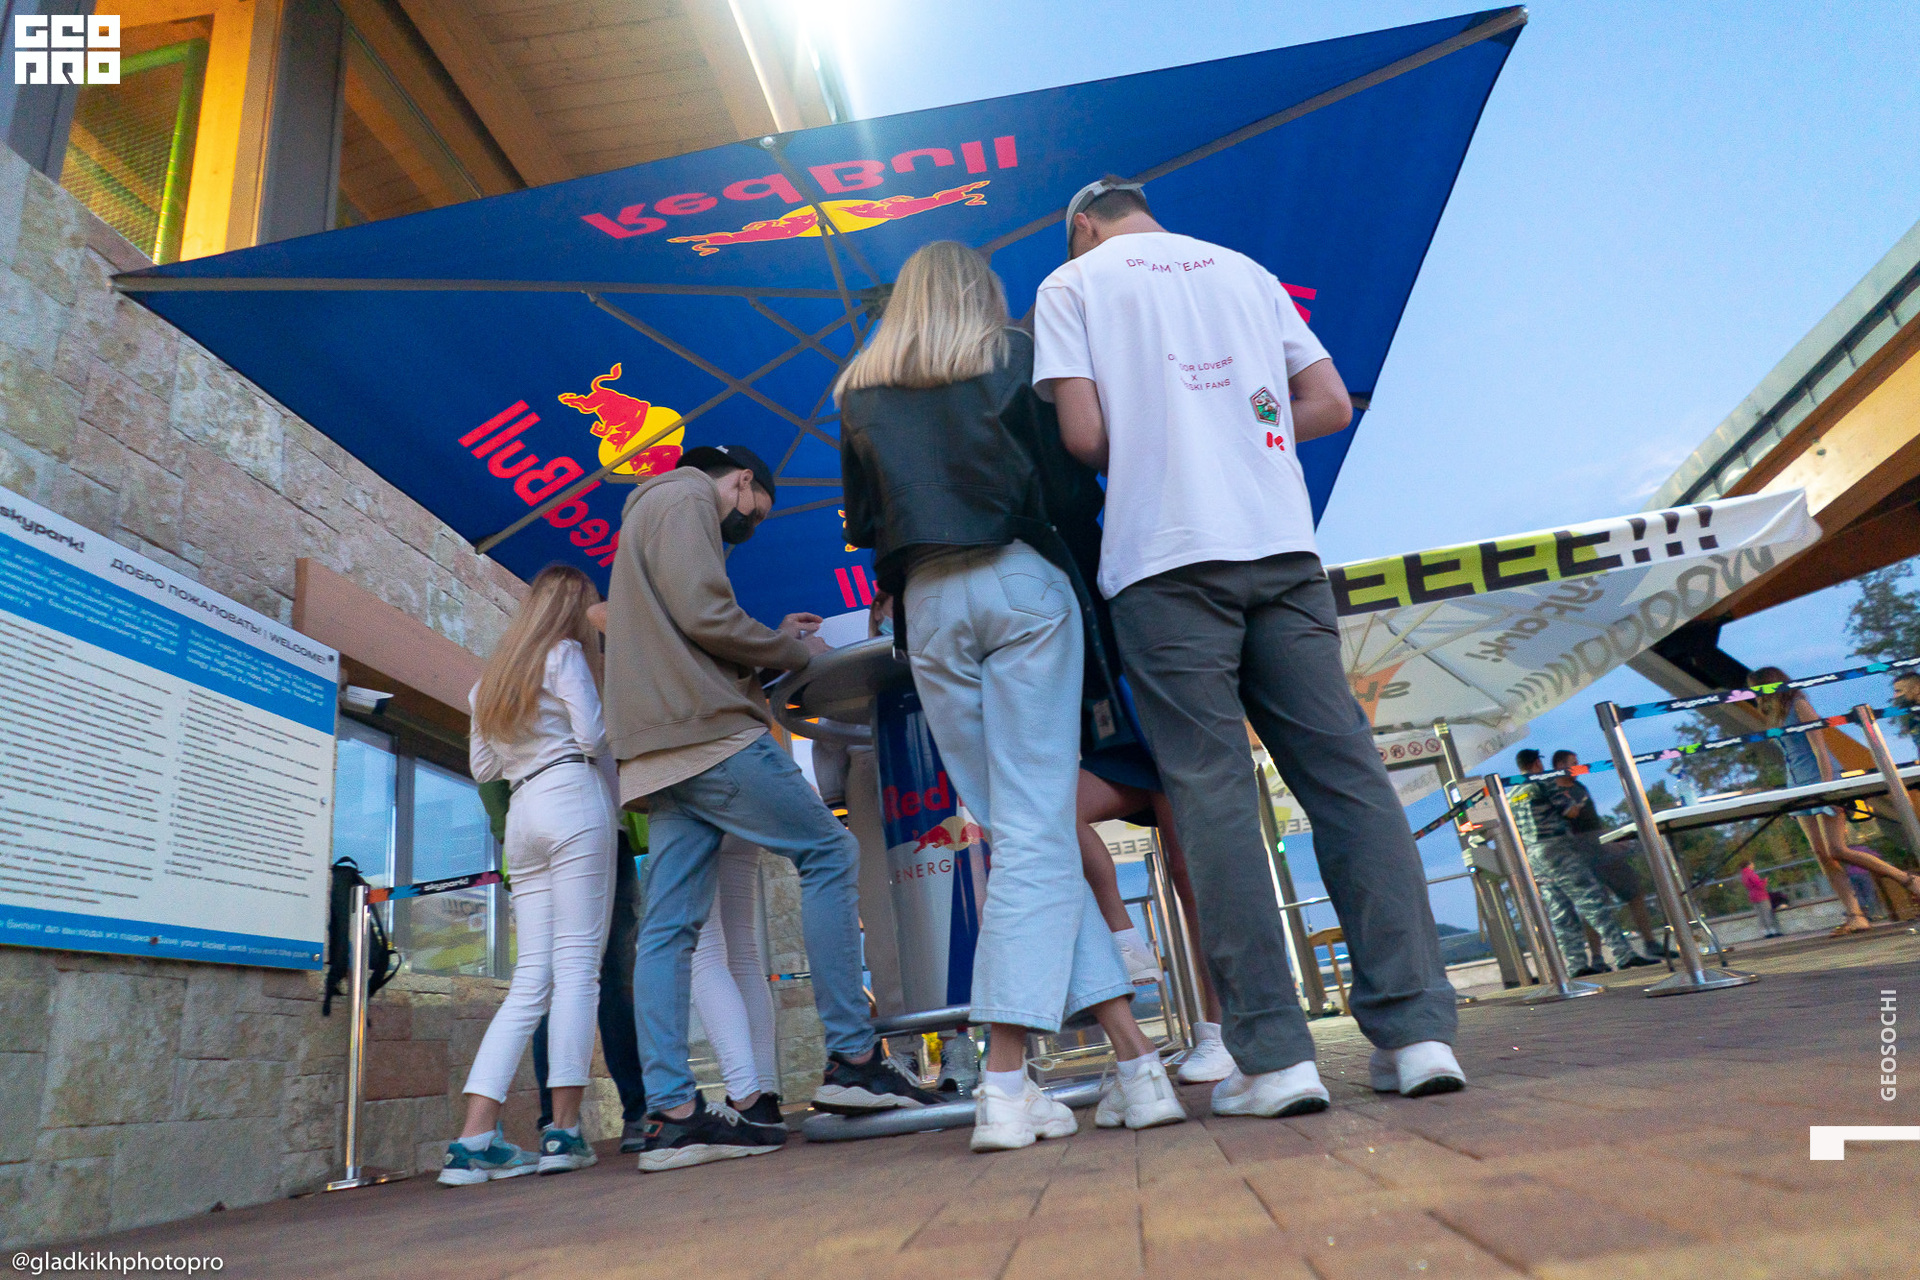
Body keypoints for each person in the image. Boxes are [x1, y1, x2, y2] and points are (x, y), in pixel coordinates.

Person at [1032, 176, 1463, 1112]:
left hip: (1164, 560)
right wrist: (1239, 428)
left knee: (1212, 794)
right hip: (1281, 548)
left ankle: (1275, 1059)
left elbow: (1085, 436)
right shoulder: (1245, 270)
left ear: (1083, 226)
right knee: (1348, 778)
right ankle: (1419, 1035)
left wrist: (1164, 435)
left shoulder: (1072, 285)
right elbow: (1327, 404)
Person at [839, 240, 1187, 1152]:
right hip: (1023, 581)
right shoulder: (1018, 357)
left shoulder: (859, 389)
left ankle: (1138, 1065)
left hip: (925, 601)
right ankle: (1004, 1082)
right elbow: (1070, 488)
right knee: (1037, 834)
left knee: (1023, 833)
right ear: (980, 292)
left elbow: (866, 523)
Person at [607, 444, 939, 1173]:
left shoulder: (645, 518)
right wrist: (796, 653)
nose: (750, 526)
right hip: (708, 733)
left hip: (656, 746)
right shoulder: (687, 496)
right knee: (830, 852)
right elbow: (705, 612)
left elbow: (686, 625)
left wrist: (765, 643)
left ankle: (673, 1116)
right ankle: (854, 1060)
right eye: (755, 513)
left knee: (668, 931)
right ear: (742, 481)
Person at [441, 565, 616, 1185]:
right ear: (574, 609)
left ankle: (474, 1138)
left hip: (522, 813)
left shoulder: (489, 682)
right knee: (578, 969)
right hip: (571, 795)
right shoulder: (565, 654)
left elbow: (483, 766)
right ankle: (563, 1132)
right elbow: (593, 737)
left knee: (529, 980)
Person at [1076, 755, 1232, 1084]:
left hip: (1175, 741)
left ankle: (1223, 1030)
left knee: (1187, 870)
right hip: (1120, 745)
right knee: (1051, 807)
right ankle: (1125, 939)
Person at [1750, 665, 1920, 935]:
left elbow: (1820, 748)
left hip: (1821, 778)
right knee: (1822, 854)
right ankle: (1855, 914)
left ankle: (1908, 879)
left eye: (1757, 688)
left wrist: (1828, 788)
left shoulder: (1799, 704)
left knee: (1837, 849)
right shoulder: (1773, 714)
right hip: (1797, 785)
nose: (1755, 694)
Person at [1510, 750, 1657, 976]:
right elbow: (1569, 812)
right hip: (1557, 848)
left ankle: (1576, 965)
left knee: (1560, 912)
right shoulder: (1543, 783)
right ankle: (1624, 954)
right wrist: (1577, 803)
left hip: (1533, 854)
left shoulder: (1512, 794)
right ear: (1537, 763)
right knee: (1592, 901)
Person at [1551, 749, 1660, 958]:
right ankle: (1598, 956)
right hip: (1583, 853)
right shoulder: (1555, 793)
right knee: (1595, 903)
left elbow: (1592, 823)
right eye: (1573, 763)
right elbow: (1570, 820)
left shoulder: (1578, 787)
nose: (1578, 767)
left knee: (1632, 892)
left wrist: (1612, 840)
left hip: (1600, 849)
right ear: (1560, 766)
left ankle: (1648, 943)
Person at [1740, 861, 1781, 937]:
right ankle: (1773, 931)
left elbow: (1750, 885)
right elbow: (1759, 885)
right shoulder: (1751, 874)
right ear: (1748, 865)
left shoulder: (1743, 875)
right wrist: (1765, 881)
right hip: (1761, 895)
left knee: (1761, 915)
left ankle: (1766, 932)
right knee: (1767, 913)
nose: (1753, 866)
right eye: (1752, 864)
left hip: (1752, 896)